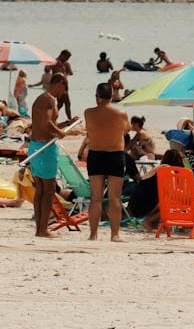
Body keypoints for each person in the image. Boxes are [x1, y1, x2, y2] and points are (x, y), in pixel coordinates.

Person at [25, 74, 75, 237]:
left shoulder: (41, 98)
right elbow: (47, 123)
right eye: (65, 87)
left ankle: (39, 229)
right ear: (59, 83)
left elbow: (41, 124)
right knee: (48, 190)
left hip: (35, 146)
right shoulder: (49, 99)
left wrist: (66, 124)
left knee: (40, 190)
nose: (64, 91)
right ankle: (43, 229)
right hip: (45, 148)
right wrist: (59, 131)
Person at [82, 81, 131, 241]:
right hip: (115, 155)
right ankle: (115, 234)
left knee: (95, 197)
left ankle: (93, 234)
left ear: (97, 97)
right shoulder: (121, 114)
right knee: (114, 198)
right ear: (111, 96)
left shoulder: (88, 112)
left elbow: (89, 130)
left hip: (95, 155)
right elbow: (127, 129)